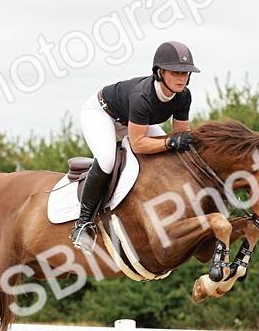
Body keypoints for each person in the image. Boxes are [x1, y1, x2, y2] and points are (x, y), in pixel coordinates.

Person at [70, 40, 200, 253]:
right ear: (160, 72)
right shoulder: (143, 96)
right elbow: (139, 144)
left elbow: (180, 135)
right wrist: (170, 142)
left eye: (185, 73)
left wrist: (179, 143)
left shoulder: (183, 96)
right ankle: (82, 224)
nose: (181, 78)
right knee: (106, 159)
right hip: (102, 114)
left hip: (132, 120)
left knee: (172, 154)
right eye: (176, 72)